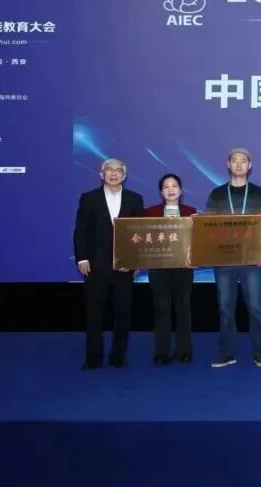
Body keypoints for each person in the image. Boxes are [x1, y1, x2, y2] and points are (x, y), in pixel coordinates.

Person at [73, 158, 145, 370]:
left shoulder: (135, 199)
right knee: (94, 312)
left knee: (123, 311)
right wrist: (82, 258)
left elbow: (140, 233)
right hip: (96, 264)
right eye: (109, 170)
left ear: (125, 175)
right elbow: (81, 230)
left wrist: (135, 261)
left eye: (118, 170)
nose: (113, 173)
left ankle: (118, 356)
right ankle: (93, 358)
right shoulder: (89, 198)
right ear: (101, 174)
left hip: (124, 264)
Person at [205, 148, 261, 368]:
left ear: (250, 166)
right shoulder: (217, 194)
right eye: (234, 160)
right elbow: (209, 227)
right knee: (225, 308)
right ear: (228, 164)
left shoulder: (258, 193)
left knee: (256, 307)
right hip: (224, 259)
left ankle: (260, 351)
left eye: (244, 161)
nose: (239, 164)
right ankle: (227, 352)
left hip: (251, 259)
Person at [144, 173, 197, 366]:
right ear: (161, 192)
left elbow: (197, 241)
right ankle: (161, 352)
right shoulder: (150, 213)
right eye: (166, 187)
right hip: (159, 269)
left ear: (181, 190)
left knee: (183, 308)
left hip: (183, 267)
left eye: (174, 186)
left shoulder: (191, 212)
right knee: (161, 309)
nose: (171, 190)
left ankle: (184, 351)